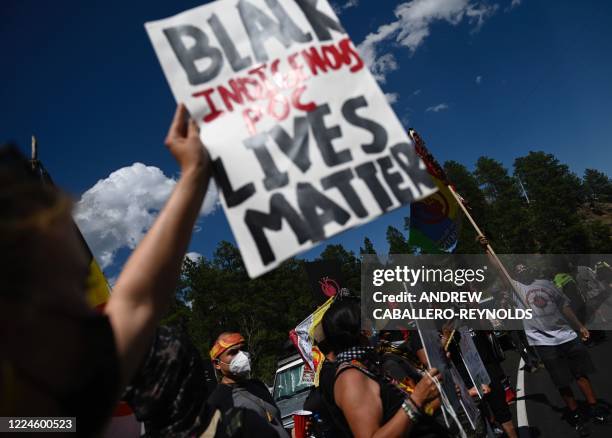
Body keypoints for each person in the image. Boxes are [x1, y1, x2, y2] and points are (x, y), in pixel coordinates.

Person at [0, 104, 212, 435]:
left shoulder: (67, 395)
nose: (86, 309)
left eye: (81, 283)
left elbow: (137, 300)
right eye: (55, 290)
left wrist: (195, 173)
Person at [319, 297, 449, 438]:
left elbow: (399, 416)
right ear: (357, 329)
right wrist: (417, 399)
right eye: (365, 318)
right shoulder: (351, 378)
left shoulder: (366, 365)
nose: (371, 323)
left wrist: (431, 402)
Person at [513, 263, 609, 433]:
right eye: (518, 269)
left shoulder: (546, 284)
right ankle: (576, 415)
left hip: (566, 335)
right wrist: (485, 248)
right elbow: (498, 268)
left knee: (581, 373)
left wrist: (579, 326)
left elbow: (564, 306)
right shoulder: (517, 289)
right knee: (562, 381)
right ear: (514, 274)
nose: (523, 270)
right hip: (544, 343)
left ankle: (594, 407)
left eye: (524, 267)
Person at [208, 332, 289, 438]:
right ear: (217, 364)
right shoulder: (218, 402)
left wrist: (291, 432)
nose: (242, 356)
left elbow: (275, 427)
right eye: (233, 352)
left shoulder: (258, 385)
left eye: (242, 349)